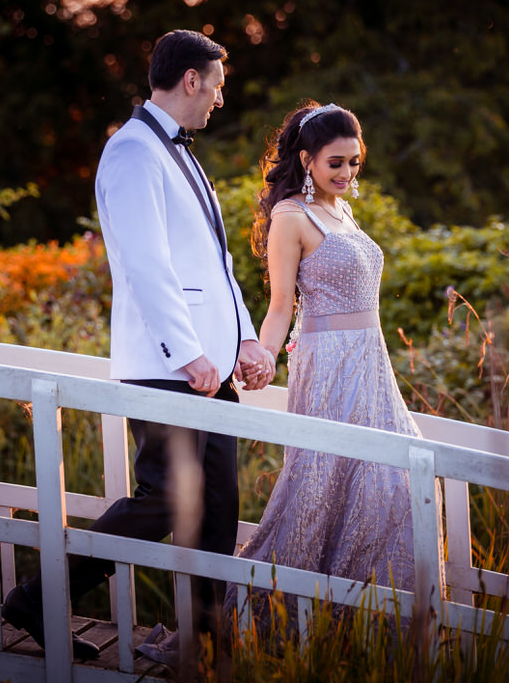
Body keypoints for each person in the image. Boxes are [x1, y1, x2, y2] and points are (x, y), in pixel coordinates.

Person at [3, 30, 276, 660]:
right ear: (190, 80)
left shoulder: (181, 153)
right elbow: (146, 266)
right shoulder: (130, 152)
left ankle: (205, 640)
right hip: (168, 367)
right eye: (217, 86)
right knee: (165, 502)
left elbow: (216, 261)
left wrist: (242, 337)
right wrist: (189, 355)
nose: (219, 99)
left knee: (217, 508)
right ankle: (39, 597)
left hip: (210, 369)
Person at [137, 101, 424, 664]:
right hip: (328, 368)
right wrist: (262, 356)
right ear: (307, 159)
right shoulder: (292, 217)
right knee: (314, 495)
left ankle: (354, 639)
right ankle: (229, 634)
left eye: (355, 163)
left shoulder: (345, 213)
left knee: (388, 486)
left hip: (372, 366)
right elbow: (279, 308)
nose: (347, 174)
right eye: (336, 163)